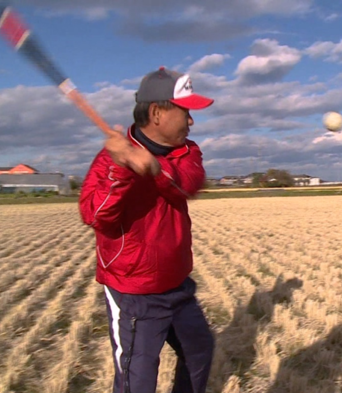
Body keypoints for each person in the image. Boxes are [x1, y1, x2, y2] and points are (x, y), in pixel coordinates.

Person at [79, 67, 215, 393]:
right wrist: (121, 167)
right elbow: (96, 216)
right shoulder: (110, 159)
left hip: (178, 284)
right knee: (136, 382)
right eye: (186, 112)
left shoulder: (187, 151)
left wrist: (153, 166)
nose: (192, 121)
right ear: (157, 112)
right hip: (134, 293)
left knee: (199, 352)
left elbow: (189, 185)